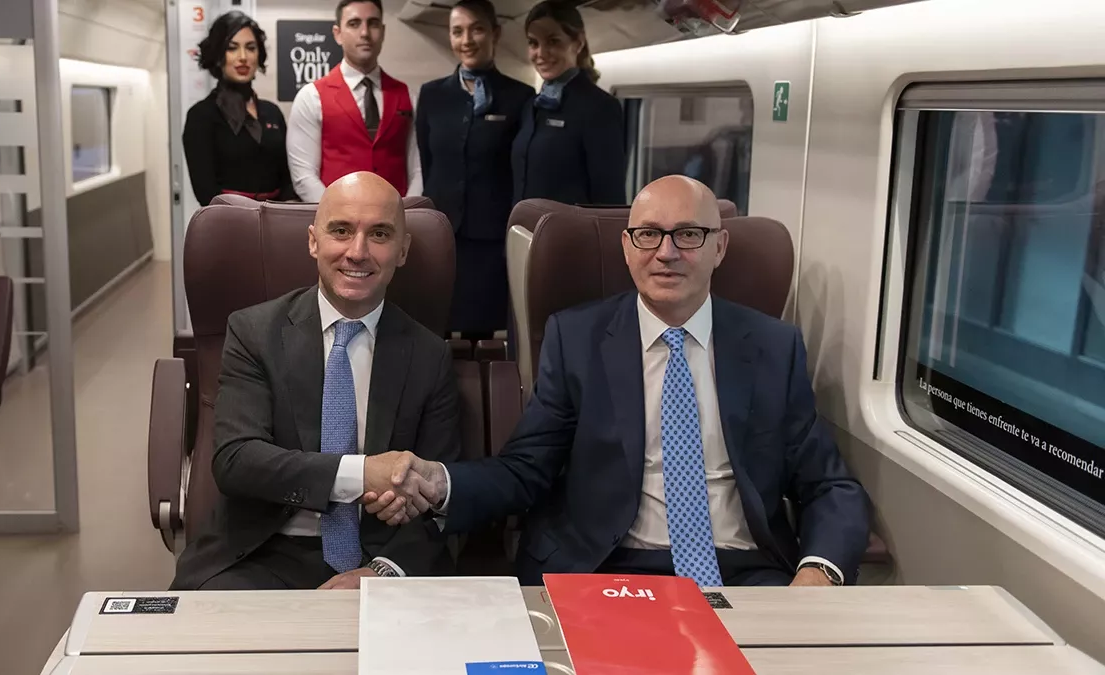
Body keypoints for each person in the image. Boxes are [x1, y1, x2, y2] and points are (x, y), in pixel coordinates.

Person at [368, 175, 871, 587]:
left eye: (688, 235)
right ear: (627, 248)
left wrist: (818, 572)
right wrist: (440, 482)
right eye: (648, 234)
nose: (666, 253)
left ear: (720, 247)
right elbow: (526, 470)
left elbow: (830, 485)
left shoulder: (773, 347)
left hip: (742, 572)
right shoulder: (578, 338)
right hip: (605, 567)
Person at [169, 172, 458, 591]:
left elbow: (436, 495)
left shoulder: (430, 355)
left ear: (402, 251)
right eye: (340, 231)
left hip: (374, 559)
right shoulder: (254, 332)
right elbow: (237, 461)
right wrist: (363, 475)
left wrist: (382, 572)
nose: (357, 252)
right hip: (260, 554)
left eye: (379, 234)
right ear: (313, 241)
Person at [415, 0, 534, 337]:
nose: (466, 39)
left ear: (495, 33)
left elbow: (518, 169)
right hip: (440, 233)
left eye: (476, 29)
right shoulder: (432, 95)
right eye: (457, 31)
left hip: (491, 237)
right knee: (435, 326)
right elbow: (428, 160)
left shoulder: (520, 96)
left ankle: (485, 389)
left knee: (482, 329)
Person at [286, 0, 423, 202]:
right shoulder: (311, 96)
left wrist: (406, 212)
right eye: (354, 23)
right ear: (337, 34)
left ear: (383, 31)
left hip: (396, 223)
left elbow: (418, 168)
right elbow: (304, 176)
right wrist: (339, 215)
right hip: (336, 225)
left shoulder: (408, 96)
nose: (365, 33)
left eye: (373, 23)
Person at [512, 1, 626, 206]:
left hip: (570, 236)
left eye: (553, 41)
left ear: (578, 43)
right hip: (524, 233)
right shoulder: (531, 106)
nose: (541, 53)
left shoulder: (599, 107)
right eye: (533, 43)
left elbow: (609, 197)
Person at [182, 11, 296, 206]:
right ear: (218, 56)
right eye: (232, 48)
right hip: (229, 224)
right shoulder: (201, 116)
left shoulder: (272, 112)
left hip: (276, 221)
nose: (243, 57)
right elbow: (205, 192)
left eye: (250, 48)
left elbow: (287, 177)